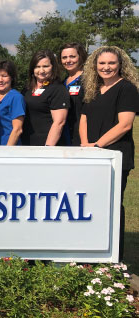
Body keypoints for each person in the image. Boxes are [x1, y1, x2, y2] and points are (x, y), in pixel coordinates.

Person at [80, 46, 139, 261]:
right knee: (91, 205)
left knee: (112, 206)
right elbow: (84, 118)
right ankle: (91, 253)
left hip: (115, 157)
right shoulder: (92, 88)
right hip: (91, 155)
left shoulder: (127, 89)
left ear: (120, 64)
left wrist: (97, 146)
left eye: (111, 63)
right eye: (102, 63)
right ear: (95, 66)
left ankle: (114, 257)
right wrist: (86, 144)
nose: (106, 67)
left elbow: (125, 125)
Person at [21, 50, 70, 146]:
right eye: (37, 67)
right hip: (26, 144)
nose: (41, 71)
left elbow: (59, 122)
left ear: (53, 67)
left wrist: (47, 148)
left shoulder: (58, 89)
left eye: (45, 66)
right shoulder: (27, 89)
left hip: (46, 146)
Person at [0, 60, 25, 145]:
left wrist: (7, 151)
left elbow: (17, 129)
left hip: (8, 149)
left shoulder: (16, 97)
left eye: (4, 76)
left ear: (11, 78)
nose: (0, 80)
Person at [60, 42, 87, 146]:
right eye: (64, 57)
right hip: (64, 135)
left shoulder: (88, 81)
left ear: (80, 57)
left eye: (72, 56)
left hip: (81, 137)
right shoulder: (62, 82)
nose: (68, 60)